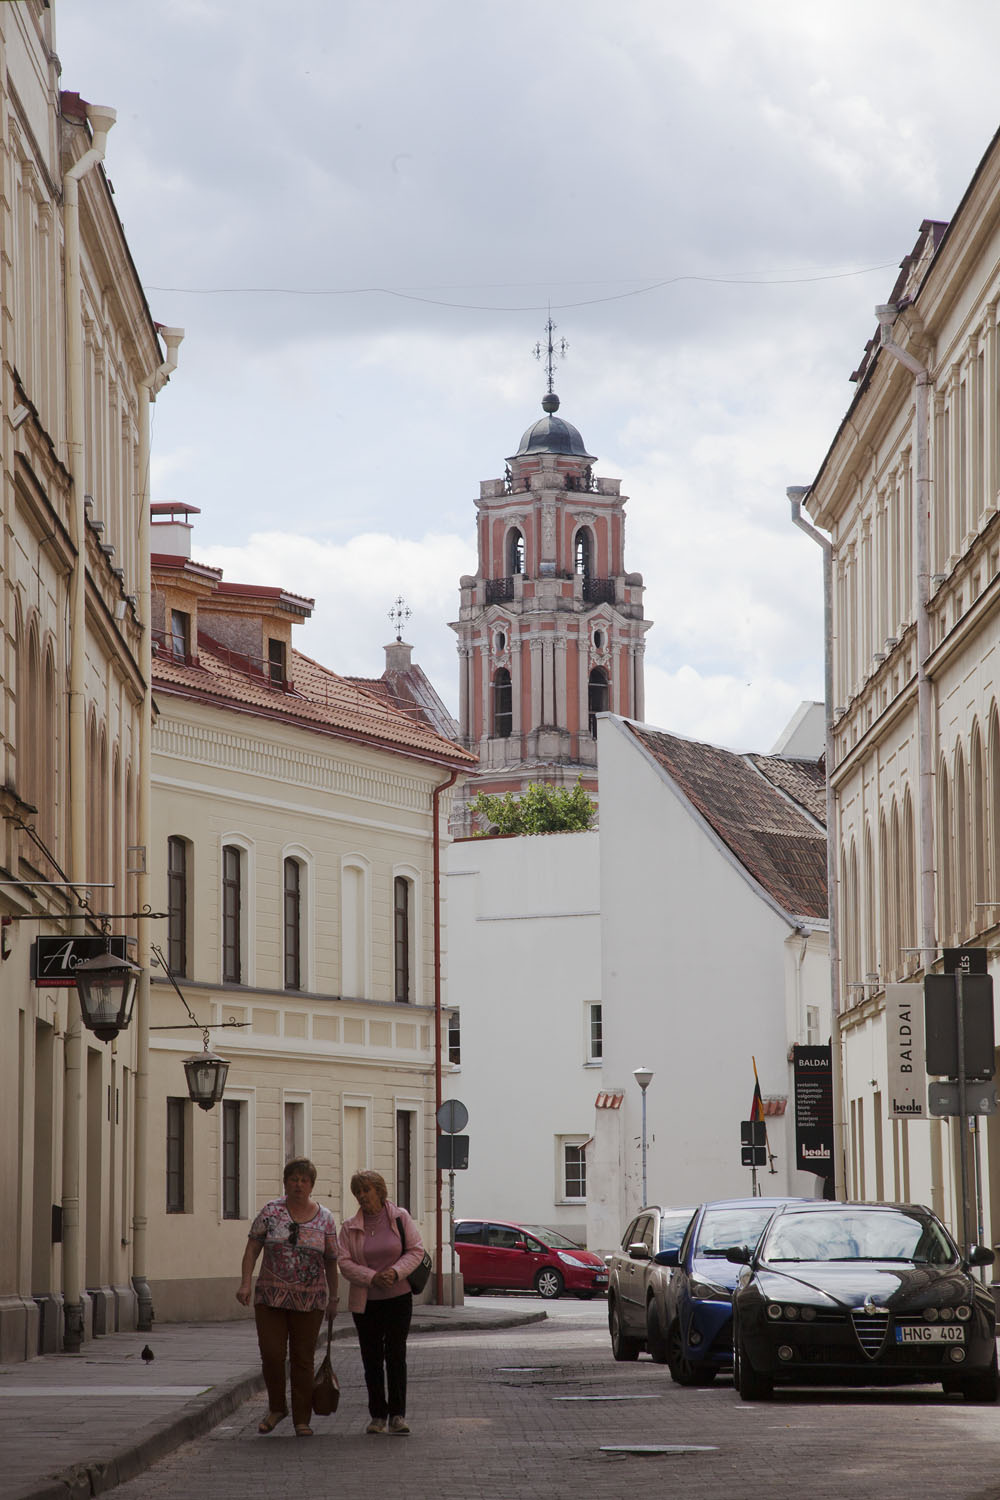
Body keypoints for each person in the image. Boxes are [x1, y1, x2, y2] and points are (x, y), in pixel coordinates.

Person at [236, 1156, 339, 1437]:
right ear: (285, 1183)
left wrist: (334, 1299)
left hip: (310, 1301)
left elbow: (331, 1260)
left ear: (312, 1185)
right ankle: (277, 1408)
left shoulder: (325, 1218)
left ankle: (302, 1419)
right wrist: (245, 1283)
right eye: (293, 1179)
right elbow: (252, 1249)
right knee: (272, 1355)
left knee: (303, 1359)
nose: (298, 1184)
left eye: (304, 1180)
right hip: (270, 1298)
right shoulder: (271, 1212)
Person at [337, 1169, 425, 1435]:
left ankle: (397, 1415)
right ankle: (377, 1416)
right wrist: (371, 1277)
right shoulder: (349, 1227)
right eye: (358, 1192)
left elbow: (416, 1250)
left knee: (396, 1355)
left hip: (398, 1298)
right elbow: (344, 1262)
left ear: (379, 1191)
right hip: (366, 1302)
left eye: (367, 1190)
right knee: (371, 1358)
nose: (362, 1196)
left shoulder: (399, 1217)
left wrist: (395, 1272)